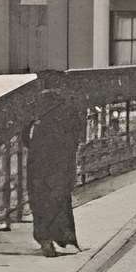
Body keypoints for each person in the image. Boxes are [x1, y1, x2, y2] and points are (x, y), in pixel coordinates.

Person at [26, 73, 85, 252]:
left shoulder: (35, 106)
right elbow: (78, 134)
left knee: (40, 198)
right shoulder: (71, 104)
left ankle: (44, 238)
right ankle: (64, 238)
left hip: (39, 161)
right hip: (61, 159)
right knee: (60, 196)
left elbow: (25, 135)